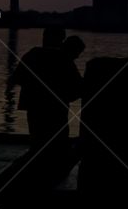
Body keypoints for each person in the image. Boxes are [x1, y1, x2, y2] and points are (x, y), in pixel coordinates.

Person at [11, 27, 82, 158]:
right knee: (58, 143)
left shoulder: (32, 54)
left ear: (45, 38)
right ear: (61, 40)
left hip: (34, 106)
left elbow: (17, 78)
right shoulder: (65, 59)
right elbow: (78, 88)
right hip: (57, 109)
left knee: (37, 140)